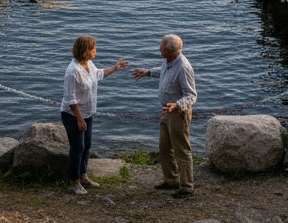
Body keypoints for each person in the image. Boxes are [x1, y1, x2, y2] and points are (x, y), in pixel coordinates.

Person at [60, 35, 129, 195]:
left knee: (87, 146)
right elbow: (70, 99)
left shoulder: (89, 64)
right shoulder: (73, 71)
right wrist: (79, 119)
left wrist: (115, 67)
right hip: (73, 115)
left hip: (88, 112)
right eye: (93, 49)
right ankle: (75, 181)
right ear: (85, 51)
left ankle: (84, 175)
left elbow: (98, 74)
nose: (95, 51)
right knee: (77, 148)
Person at [132, 34, 197, 199]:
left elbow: (191, 95)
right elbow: (164, 71)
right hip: (166, 111)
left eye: (161, 47)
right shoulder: (169, 61)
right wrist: (147, 72)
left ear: (170, 50)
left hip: (177, 112)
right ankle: (171, 180)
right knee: (164, 148)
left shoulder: (183, 67)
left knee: (181, 150)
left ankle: (187, 187)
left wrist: (176, 104)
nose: (159, 49)